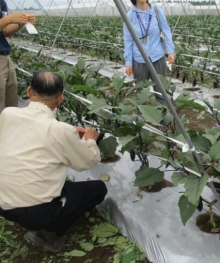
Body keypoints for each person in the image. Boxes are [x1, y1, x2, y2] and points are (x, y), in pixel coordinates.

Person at [0, 70, 108, 253]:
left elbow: (30, 133)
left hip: (3, 203)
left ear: (28, 91)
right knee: (97, 189)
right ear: (59, 100)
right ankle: (50, 234)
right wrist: (90, 139)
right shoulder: (60, 131)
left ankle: (39, 219)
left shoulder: (8, 113)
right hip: (35, 211)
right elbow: (88, 161)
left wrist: (68, 132)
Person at [123, 0, 175, 106]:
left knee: (162, 93)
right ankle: (141, 121)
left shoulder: (156, 10)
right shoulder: (129, 16)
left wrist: (170, 51)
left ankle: (164, 120)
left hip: (157, 56)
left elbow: (166, 30)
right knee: (141, 94)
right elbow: (128, 40)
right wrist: (128, 62)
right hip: (139, 59)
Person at [0, 1, 35, 113]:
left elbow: (4, 32)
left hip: (5, 56)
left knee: (11, 105)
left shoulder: (2, 3)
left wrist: (20, 23)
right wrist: (8, 20)